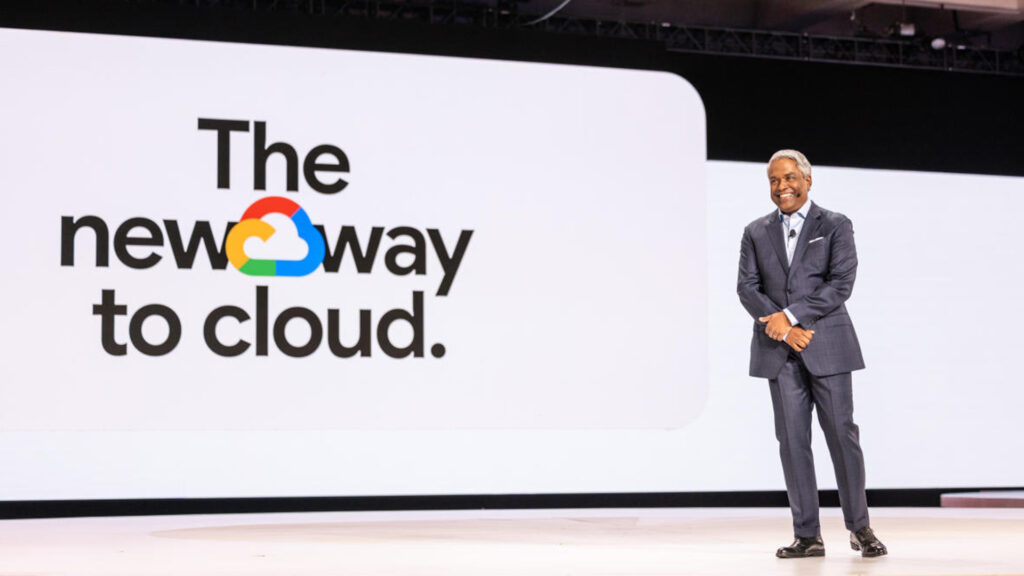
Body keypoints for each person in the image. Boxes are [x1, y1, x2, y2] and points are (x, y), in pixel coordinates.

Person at [736, 149, 887, 559]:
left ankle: (860, 528)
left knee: (842, 437)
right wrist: (783, 331)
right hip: (778, 352)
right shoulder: (755, 230)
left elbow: (841, 283)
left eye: (788, 178)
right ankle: (807, 535)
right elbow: (747, 288)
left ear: (806, 179)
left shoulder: (835, 225)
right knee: (793, 443)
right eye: (773, 180)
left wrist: (789, 318)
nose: (781, 187)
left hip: (829, 346)